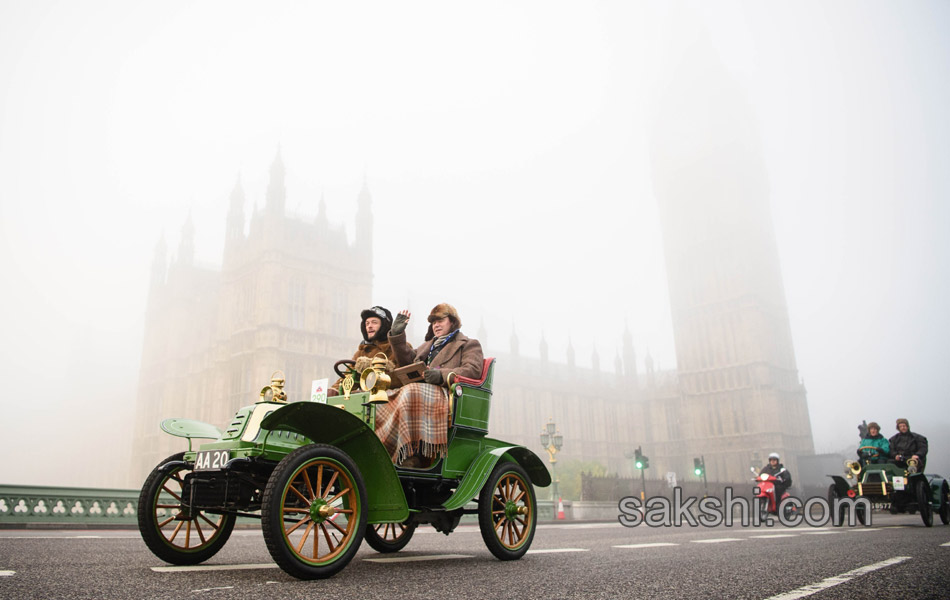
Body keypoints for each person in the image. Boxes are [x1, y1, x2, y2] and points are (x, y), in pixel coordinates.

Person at [374, 303, 484, 468]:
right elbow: (406, 362)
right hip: (420, 392)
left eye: (440, 320)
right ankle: (380, 449)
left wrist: (441, 375)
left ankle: (411, 454)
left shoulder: (468, 344)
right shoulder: (427, 346)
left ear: (452, 322)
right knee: (382, 398)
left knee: (411, 391)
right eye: (433, 322)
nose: (436, 325)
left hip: (447, 395)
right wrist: (397, 335)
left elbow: (473, 370)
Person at [329, 305, 398, 396]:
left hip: (390, 396)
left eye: (374, 322)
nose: (369, 326)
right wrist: (334, 390)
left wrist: (372, 366)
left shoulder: (397, 347)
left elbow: (400, 376)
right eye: (367, 323)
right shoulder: (362, 352)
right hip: (366, 398)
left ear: (384, 325)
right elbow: (350, 378)